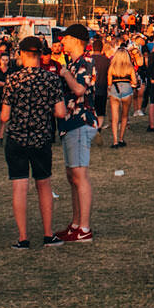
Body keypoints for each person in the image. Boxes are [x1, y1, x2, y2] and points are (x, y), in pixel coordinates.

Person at [0, 36, 62, 248]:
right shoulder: (51, 79)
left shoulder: (13, 79)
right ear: (40, 54)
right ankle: (48, 234)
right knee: (43, 185)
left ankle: (23, 237)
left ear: (22, 54)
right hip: (41, 137)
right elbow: (60, 112)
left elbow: (4, 116)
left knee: (20, 187)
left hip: (17, 137)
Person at [51, 24, 99, 243]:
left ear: (77, 40)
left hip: (80, 122)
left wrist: (64, 74)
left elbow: (80, 89)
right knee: (72, 176)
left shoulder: (86, 63)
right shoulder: (73, 63)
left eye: (66, 39)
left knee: (80, 176)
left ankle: (84, 228)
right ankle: (76, 224)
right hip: (70, 124)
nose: (63, 42)